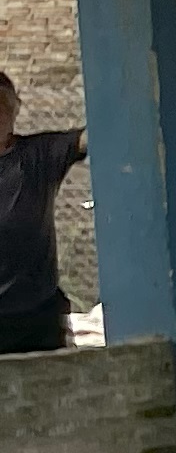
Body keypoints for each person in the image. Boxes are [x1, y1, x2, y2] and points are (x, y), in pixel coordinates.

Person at [0, 67, 88, 353]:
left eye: (3, 105)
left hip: (38, 313)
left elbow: (92, 138)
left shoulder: (40, 155)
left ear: (16, 110)